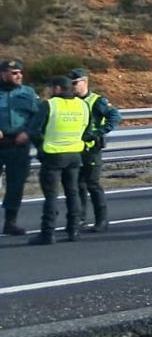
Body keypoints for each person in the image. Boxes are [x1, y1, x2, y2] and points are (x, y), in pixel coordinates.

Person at [27, 77, 94, 245]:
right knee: (73, 192)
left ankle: (47, 233)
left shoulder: (50, 104)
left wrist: (41, 147)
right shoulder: (82, 105)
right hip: (74, 154)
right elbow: (87, 128)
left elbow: (34, 130)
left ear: (57, 88)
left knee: (51, 195)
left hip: (53, 154)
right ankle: (74, 230)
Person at [67, 68, 122, 231]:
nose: (72, 87)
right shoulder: (71, 100)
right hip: (76, 149)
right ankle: (80, 218)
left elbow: (115, 116)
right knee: (78, 185)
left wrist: (98, 133)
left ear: (84, 82)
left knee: (93, 184)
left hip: (92, 150)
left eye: (75, 83)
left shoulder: (97, 101)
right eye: (70, 84)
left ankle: (102, 220)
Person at [0, 59, 39, 236]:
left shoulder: (28, 93)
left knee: (16, 184)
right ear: (3, 74)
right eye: (14, 73)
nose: (19, 76)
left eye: (20, 72)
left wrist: (27, 132)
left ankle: (10, 222)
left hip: (18, 144)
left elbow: (38, 116)